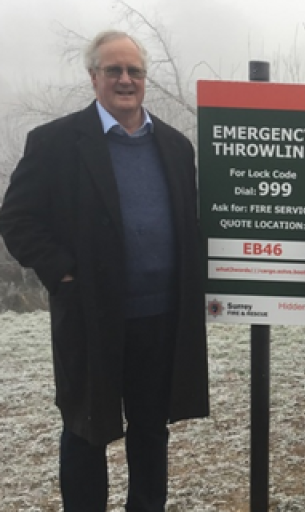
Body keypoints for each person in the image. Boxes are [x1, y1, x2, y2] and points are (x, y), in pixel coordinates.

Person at [0, 30, 209, 511]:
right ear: (93, 76)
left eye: (134, 71)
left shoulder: (176, 147)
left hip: (161, 317)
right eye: (113, 70)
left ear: (145, 80)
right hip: (91, 317)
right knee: (86, 428)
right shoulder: (55, 142)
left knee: (151, 429)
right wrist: (63, 272)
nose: (125, 79)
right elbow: (16, 219)